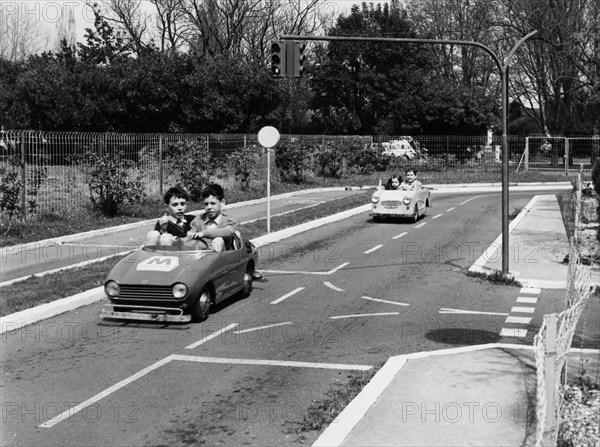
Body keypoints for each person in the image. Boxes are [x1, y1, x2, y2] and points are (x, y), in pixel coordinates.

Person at [188, 183, 237, 252]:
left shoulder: (228, 220)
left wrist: (204, 233)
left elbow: (227, 231)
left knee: (218, 240)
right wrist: (190, 234)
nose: (209, 207)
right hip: (200, 257)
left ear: (222, 202)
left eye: (213, 203)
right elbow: (191, 234)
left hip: (224, 259)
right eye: (206, 204)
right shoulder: (198, 220)